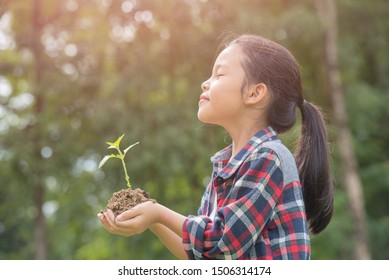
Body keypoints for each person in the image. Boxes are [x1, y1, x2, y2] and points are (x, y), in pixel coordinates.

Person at [97, 34, 334, 260]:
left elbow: (223, 241)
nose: (204, 83)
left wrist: (159, 213)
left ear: (254, 93)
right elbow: (203, 255)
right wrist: (152, 218)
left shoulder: (270, 157)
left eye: (219, 75)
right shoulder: (225, 166)